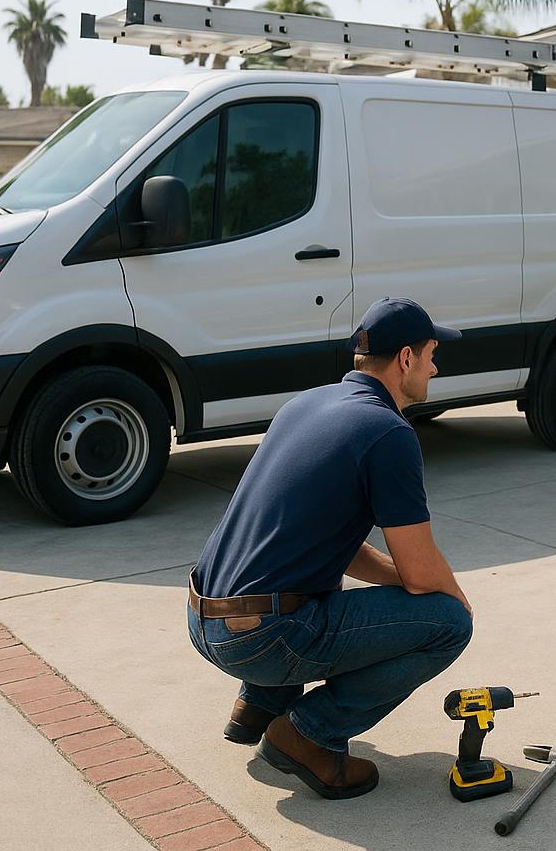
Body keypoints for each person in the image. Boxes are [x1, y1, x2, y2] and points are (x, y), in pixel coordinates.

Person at [187, 297, 474, 800]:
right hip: (261, 639)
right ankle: (306, 736)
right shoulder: (388, 433)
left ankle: (259, 705)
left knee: (315, 577)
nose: (436, 365)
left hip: (204, 619)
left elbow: (328, 541)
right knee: (449, 625)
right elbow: (423, 570)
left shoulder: (306, 404)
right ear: (405, 358)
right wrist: (451, 596)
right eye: (430, 353)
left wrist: (400, 577)